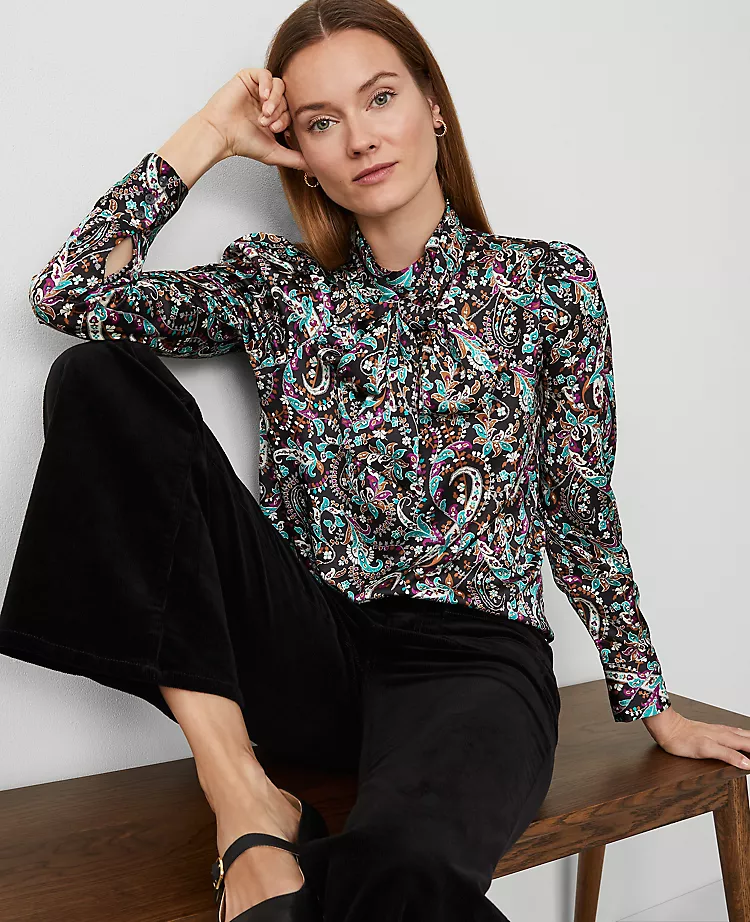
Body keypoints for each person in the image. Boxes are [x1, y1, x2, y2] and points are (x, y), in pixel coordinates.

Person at [3, 1, 750, 920]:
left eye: (380, 98)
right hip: (307, 652)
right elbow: (69, 294)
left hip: (470, 664)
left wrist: (648, 698)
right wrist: (210, 136)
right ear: (300, 154)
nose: (359, 137)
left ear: (433, 105)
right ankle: (240, 791)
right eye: (322, 122)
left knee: (403, 871)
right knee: (98, 378)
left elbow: (577, 506)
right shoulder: (275, 286)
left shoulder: (548, 286)